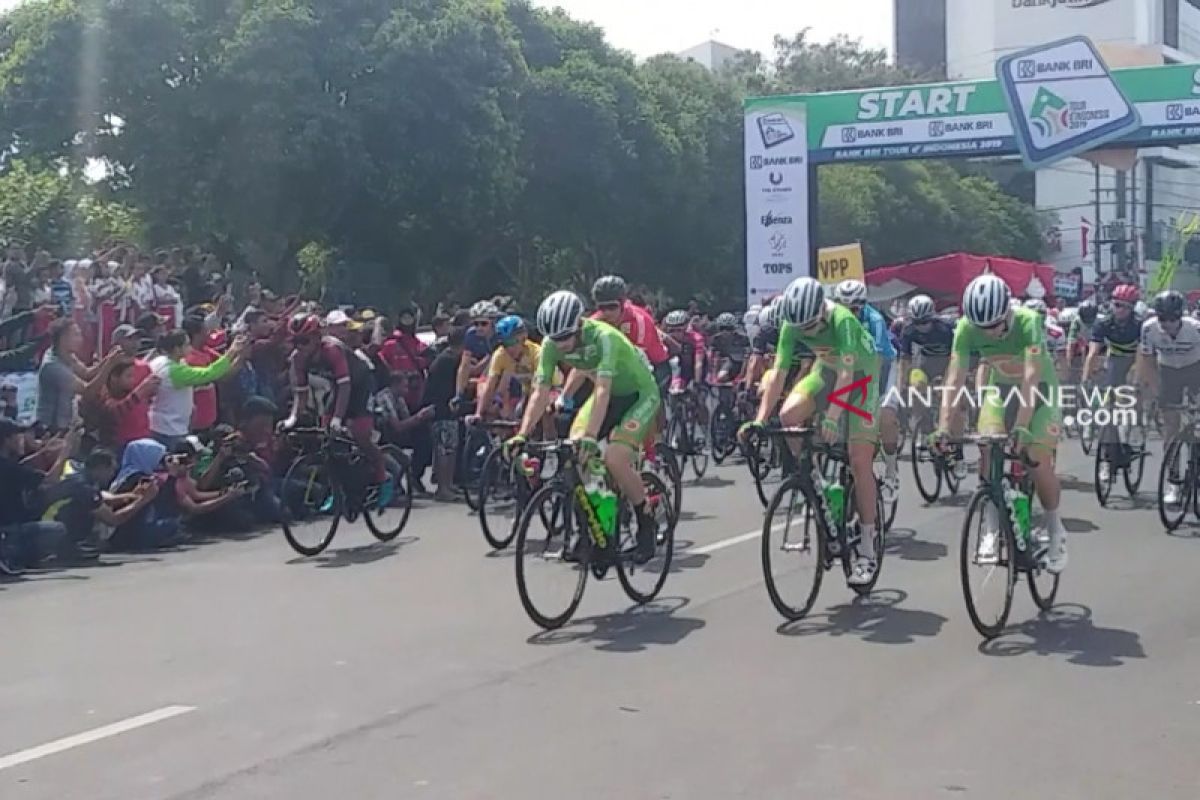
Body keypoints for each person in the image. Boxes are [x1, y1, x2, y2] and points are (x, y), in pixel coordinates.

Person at [739, 277, 881, 585]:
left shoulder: (842, 319)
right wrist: (760, 420)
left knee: (859, 462)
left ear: (822, 311)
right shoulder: (792, 323)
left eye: (811, 327)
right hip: (826, 370)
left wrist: (832, 416)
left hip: (860, 378)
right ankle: (813, 480)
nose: (805, 332)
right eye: (800, 328)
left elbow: (847, 373)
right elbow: (777, 373)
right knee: (789, 414)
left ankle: (868, 548)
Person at [508, 291, 661, 563]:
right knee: (579, 453)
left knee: (615, 457)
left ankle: (645, 519)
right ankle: (604, 527)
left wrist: (592, 436)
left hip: (638, 395)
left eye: (566, 336)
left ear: (579, 323)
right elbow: (539, 391)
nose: (562, 344)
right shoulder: (551, 345)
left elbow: (602, 389)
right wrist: (522, 434)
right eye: (555, 339)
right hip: (608, 396)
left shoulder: (605, 338)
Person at [937, 274, 1066, 573]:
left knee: (1036, 457)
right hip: (1000, 389)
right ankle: (991, 529)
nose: (991, 334)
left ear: (1007, 311)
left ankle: (1055, 528)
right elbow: (954, 378)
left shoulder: (1028, 320)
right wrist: (944, 425)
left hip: (1040, 392)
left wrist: (1022, 426)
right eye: (983, 328)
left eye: (995, 325)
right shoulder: (965, 328)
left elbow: (1032, 375)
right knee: (987, 446)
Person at [281, 312, 389, 506]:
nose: (299, 347)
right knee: (326, 437)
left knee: (360, 435)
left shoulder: (332, 350)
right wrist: (292, 418)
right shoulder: (298, 359)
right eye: (295, 341)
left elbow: (346, 386)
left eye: (304, 341)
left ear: (317, 337)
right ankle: (339, 487)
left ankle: (382, 476)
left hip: (360, 384)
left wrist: (338, 419)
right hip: (338, 388)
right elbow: (301, 393)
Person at [1138, 290, 1200, 505]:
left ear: (1180, 316)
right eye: (1162, 318)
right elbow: (1147, 361)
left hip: (1195, 369)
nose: (1167, 324)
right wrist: (1156, 393)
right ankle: (1174, 482)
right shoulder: (1148, 329)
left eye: (1172, 319)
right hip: (1168, 370)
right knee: (1170, 430)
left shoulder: (1195, 328)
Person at [148, 329, 247, 450]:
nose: (190, 348)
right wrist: (232, 351)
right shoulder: (174, 371)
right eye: (187, 344)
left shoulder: (159, 361)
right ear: (177, 349)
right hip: (170, 429)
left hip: (162, 424)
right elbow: (209, 374)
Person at [0, 420, 79, 573]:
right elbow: (51, 479)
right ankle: (14, 556)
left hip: (10, 525)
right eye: (18, 436)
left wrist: (44, 452)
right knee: (58, 529)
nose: (22, 439)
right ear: (7, 440)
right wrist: (65, 451)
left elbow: (22, 466)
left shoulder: (8, 465)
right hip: (10, 530)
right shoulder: (8, 468)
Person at [591, 275, 671, 387]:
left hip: (653, 365)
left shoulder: (639, 321)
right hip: (616, 365)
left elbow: (636, 362)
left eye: (612, 307)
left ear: (623, 303)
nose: (607, 313)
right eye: (602, 308)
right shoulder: (596, 320)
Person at [421, 326, 466, 501]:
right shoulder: (449, 359)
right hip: (441, 410)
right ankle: (442, 488)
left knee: (450, 448)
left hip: (448, 410)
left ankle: (448, 485)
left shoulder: (450, 358)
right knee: (443, 450)